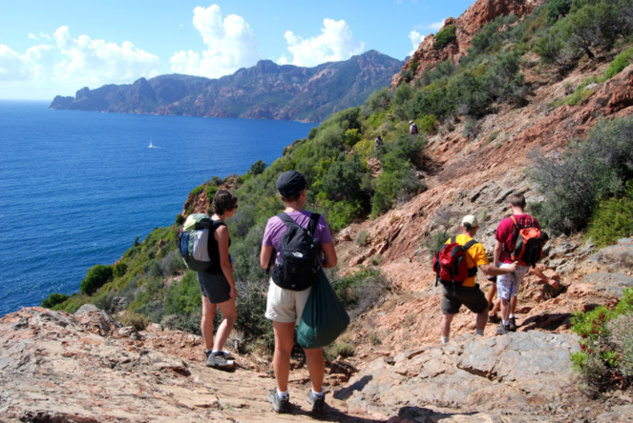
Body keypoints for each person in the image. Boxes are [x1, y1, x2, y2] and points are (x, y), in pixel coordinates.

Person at [260, 170, 338, 414]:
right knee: (312, 348)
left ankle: (282, 397)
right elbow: (332, 260)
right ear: (304, 192)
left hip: (281, 289)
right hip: (310, 291)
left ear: (282, 197)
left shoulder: (274, 222)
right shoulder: (318, 221)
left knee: (282, 347)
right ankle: (317, 397)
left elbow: (264, 262)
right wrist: (315, 263)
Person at [439, 215, 517, 345]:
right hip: (467, 288)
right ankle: (478, 339)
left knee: (447, 316)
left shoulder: (449, 241)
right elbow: (486, 269)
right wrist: (508, 270)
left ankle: (444, 344)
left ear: (461, 227)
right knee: (483, 309)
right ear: (476, 228)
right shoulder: (476, 246)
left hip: (448, 285)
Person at [493, 194, 559, 333]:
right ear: (525, 205)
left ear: (511, 206)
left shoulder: (506, 222)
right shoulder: (533, 221)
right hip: (523, 263)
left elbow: (498, 246)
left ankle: (505, 325)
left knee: (504, 296)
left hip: (507, 263)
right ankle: (511, 318)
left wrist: (495, 265)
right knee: (514, 292)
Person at [199, 189, 239, 369]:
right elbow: (224, 263)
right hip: (217, 276)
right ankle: (216, 354)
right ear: (228, 208)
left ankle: (209, 350)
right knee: (230, 316)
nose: (236, 208)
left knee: (208, 314)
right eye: (235, 206)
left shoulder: (207, 222)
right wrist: (232, 286)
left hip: (203, 274)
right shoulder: (221, 229)